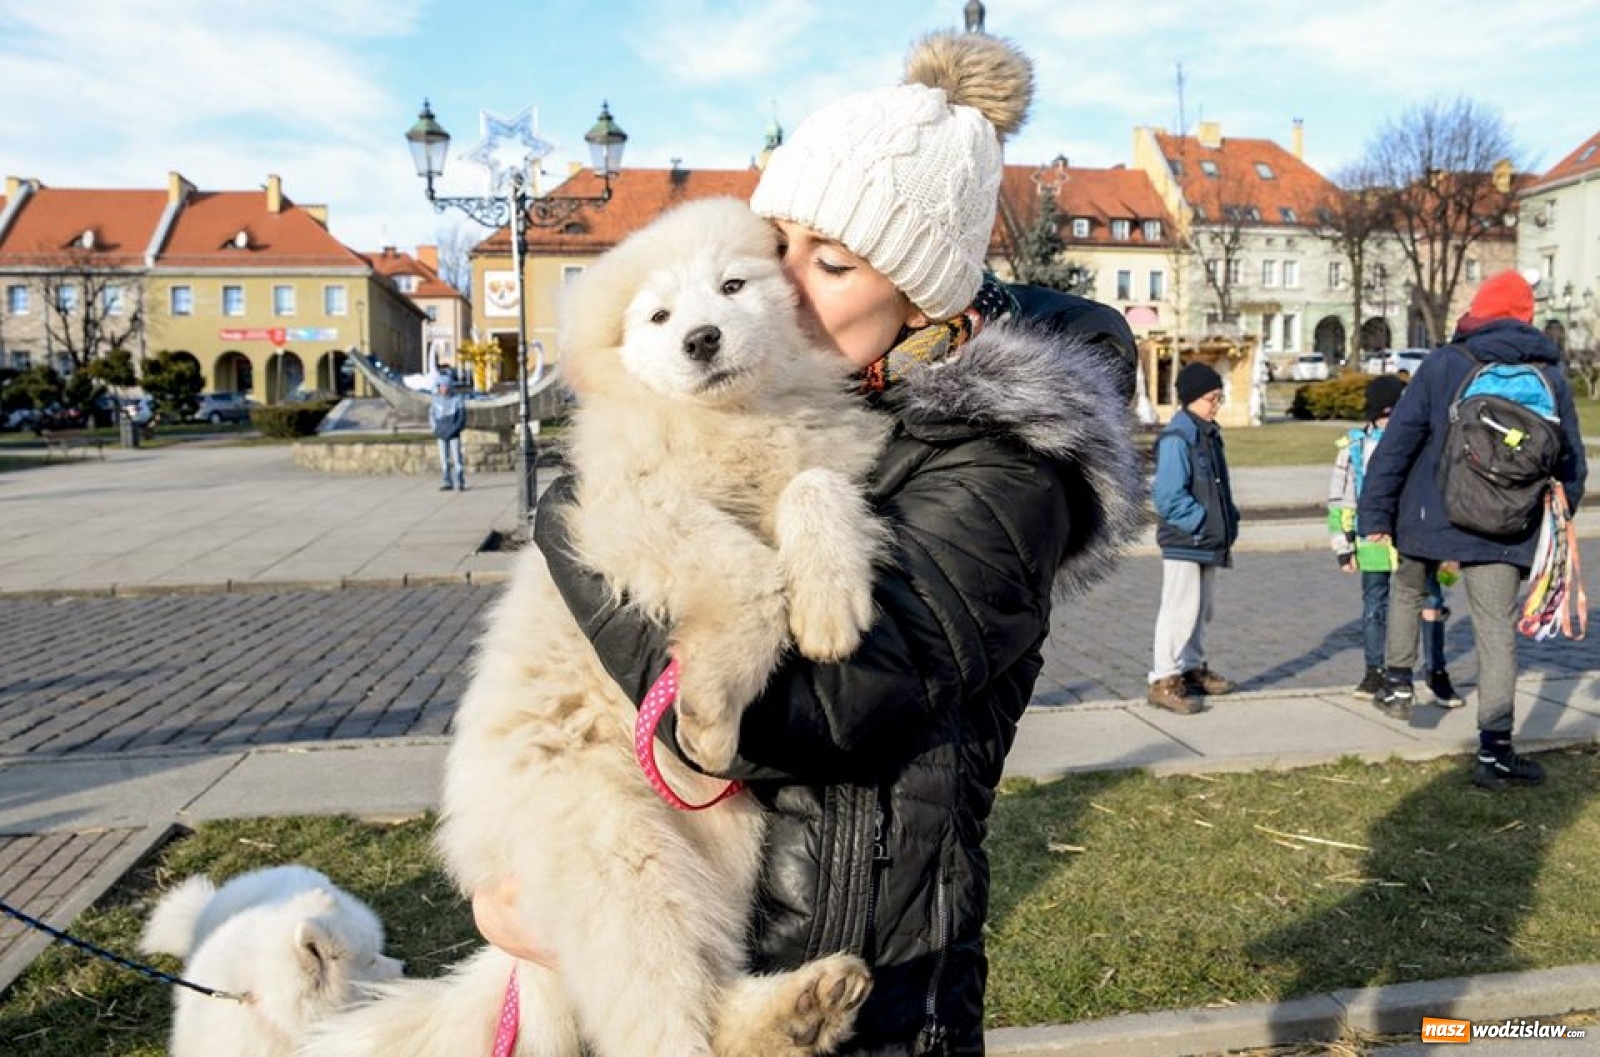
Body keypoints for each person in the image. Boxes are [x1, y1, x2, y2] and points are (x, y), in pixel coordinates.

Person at [477, 30, 1145, 1054]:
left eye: (828, 263)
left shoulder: (1009, 459)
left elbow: (834, 706)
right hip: (704, 910)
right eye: (775, 243)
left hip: (866, 971)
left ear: (926, 298)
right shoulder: (812, 391)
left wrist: (582, 523)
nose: (782, 283)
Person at [1358, 270, 1587, 790]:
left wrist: (1375, 515)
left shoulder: (1443, 363)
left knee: (1408, 589)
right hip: (1505, 523)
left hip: (1429, 511)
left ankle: (1397, 683)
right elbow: (1571, 463)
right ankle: (1496, 752)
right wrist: (1550, 517)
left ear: (1478, 311)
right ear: (1527, 317)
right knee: (1495, 632)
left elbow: (1398, 444)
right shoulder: (1550, 375)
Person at [1327, 374, 1463, 706]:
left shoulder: (1422, 443)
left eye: (1395, 413)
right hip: (1372, 540)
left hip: (1416, 539)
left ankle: (1436, 671)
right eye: (1384, 414)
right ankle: (1375, 670)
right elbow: (1340, 501)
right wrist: (1344, 547)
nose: (1390, 421)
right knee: (1375, 607)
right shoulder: (1355, 448)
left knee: (1431, 603)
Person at [1145, 361, 1241, 715]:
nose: (1217, 404)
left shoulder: (1207, 433)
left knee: (1202, 610)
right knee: (1179, 611)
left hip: (1208, 538)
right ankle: (1164, 678)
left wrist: (1226, 521)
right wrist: (1203, 522)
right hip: (1187, 539)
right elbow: (1169, 497)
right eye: (1211, 397)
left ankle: (1191, 667)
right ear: (1191, 399)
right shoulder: (1179, 437)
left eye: (1219, 397)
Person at [429, 370, 466, 492]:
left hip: (453, 432)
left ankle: (460, 480)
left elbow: (461, 417)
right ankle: (446, 480)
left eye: (445, 386)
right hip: (441, 432)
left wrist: (455, 428)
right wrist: (435, 428)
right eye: (441, 386)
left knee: (456, 458)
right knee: (444, 458)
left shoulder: (457, 399)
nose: (443, 388)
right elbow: (432, 415)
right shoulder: (435, 399)